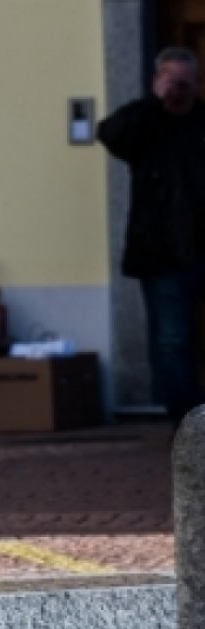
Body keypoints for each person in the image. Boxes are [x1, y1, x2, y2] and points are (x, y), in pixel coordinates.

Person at [98, 46, 205, 428]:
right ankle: (190, 424)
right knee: (172, 342)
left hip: (201, 245)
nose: (178, 91)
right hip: (163, 252)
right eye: (171, 82)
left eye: (185, 83)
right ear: (157, 81)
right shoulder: (145, 125)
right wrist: (152, 103)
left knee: (177, 341)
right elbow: (110, 134)